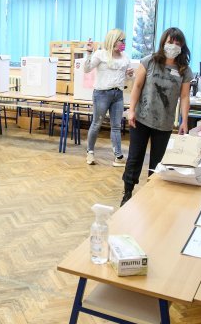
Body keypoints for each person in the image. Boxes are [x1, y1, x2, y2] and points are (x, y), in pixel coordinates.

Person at [121, 27, 193, 206]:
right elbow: (137, 86)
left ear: (182, 46)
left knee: (158, 162)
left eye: (177, 43)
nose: (173, 45)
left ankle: (150, 195)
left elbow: (185, 96)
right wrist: (131, 110)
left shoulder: (184, 70)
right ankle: (127, 192)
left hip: (164, 123)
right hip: (141, 119)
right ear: (163, 42)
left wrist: (184, 121)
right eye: (170, 41)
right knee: (135, 157)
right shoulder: (149, 61)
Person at [83, 29, 133, 166]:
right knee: (96, 124)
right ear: (113, 40)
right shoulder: (101, 54)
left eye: (124, 40)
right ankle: (90, 152)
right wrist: (89, 53)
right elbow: (86, 69)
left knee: (116, 126)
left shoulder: (125, 56)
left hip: (118, 94)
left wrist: (130, 74)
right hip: (102, 94)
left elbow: (129, 77)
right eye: (121, 40)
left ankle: (118, 156)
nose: (123, 43)